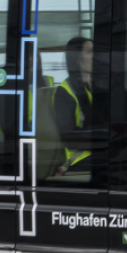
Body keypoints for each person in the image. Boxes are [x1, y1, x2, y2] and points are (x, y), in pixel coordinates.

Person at [51, 37, 94, 174]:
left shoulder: (97, 87)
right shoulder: (64, 92)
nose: (95, 56)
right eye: (89, 52)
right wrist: (101, 138)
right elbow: (69, 137)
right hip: (79, 157)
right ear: (77, 59)